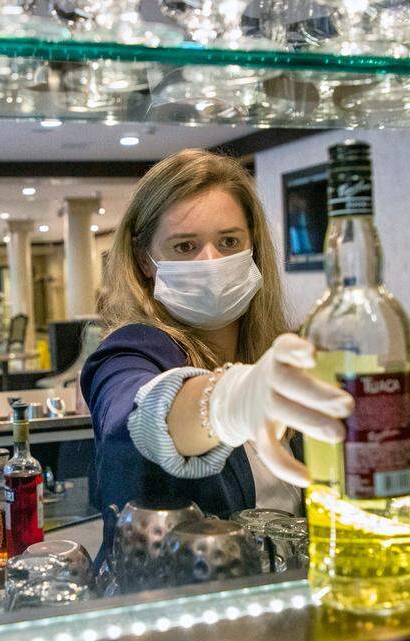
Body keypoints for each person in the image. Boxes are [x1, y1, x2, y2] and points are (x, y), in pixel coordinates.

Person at [80, 149, 353, 563]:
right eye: (185, 246)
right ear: (144, 260)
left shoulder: (283, 352)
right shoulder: (130, 350)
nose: (212, 262)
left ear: (254, 245)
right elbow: (132, 414)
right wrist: (228, 402)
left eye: (229, 241)